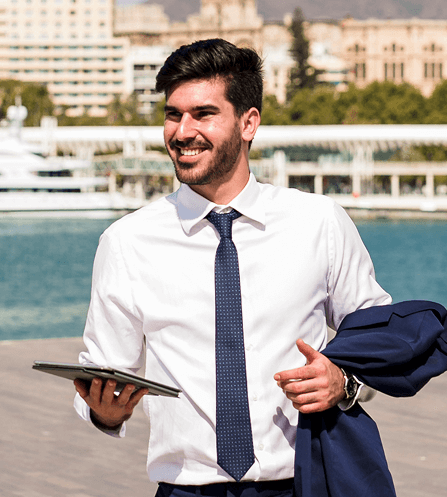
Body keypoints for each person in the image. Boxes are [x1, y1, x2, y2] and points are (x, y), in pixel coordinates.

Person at [74, 39, 391, 497]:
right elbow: (103, 371)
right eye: (173, 114)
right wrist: (105, 412)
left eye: (203, 114)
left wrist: (343, 383)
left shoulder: (319, 222)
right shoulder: (126, 242)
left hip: (305, 483)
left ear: (248, 122)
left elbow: (378, 343)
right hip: (186, 490)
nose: (182, 131)